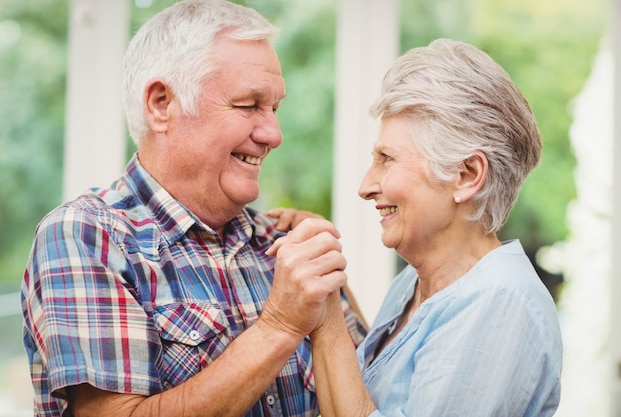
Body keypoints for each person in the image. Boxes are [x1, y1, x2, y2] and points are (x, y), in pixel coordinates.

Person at [20, 1, 367, 416]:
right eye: (248, 105)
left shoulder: (286, 246)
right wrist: (280, 327)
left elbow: (377, 389)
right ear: (162, 104)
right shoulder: (87, 235)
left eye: (275, 108)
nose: (274, 134)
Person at [291, 38, 563, 416]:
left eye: (387, 158)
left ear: (467, 175)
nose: (365, 186)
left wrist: (327, 311)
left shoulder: (501, 304)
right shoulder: (414, 284)